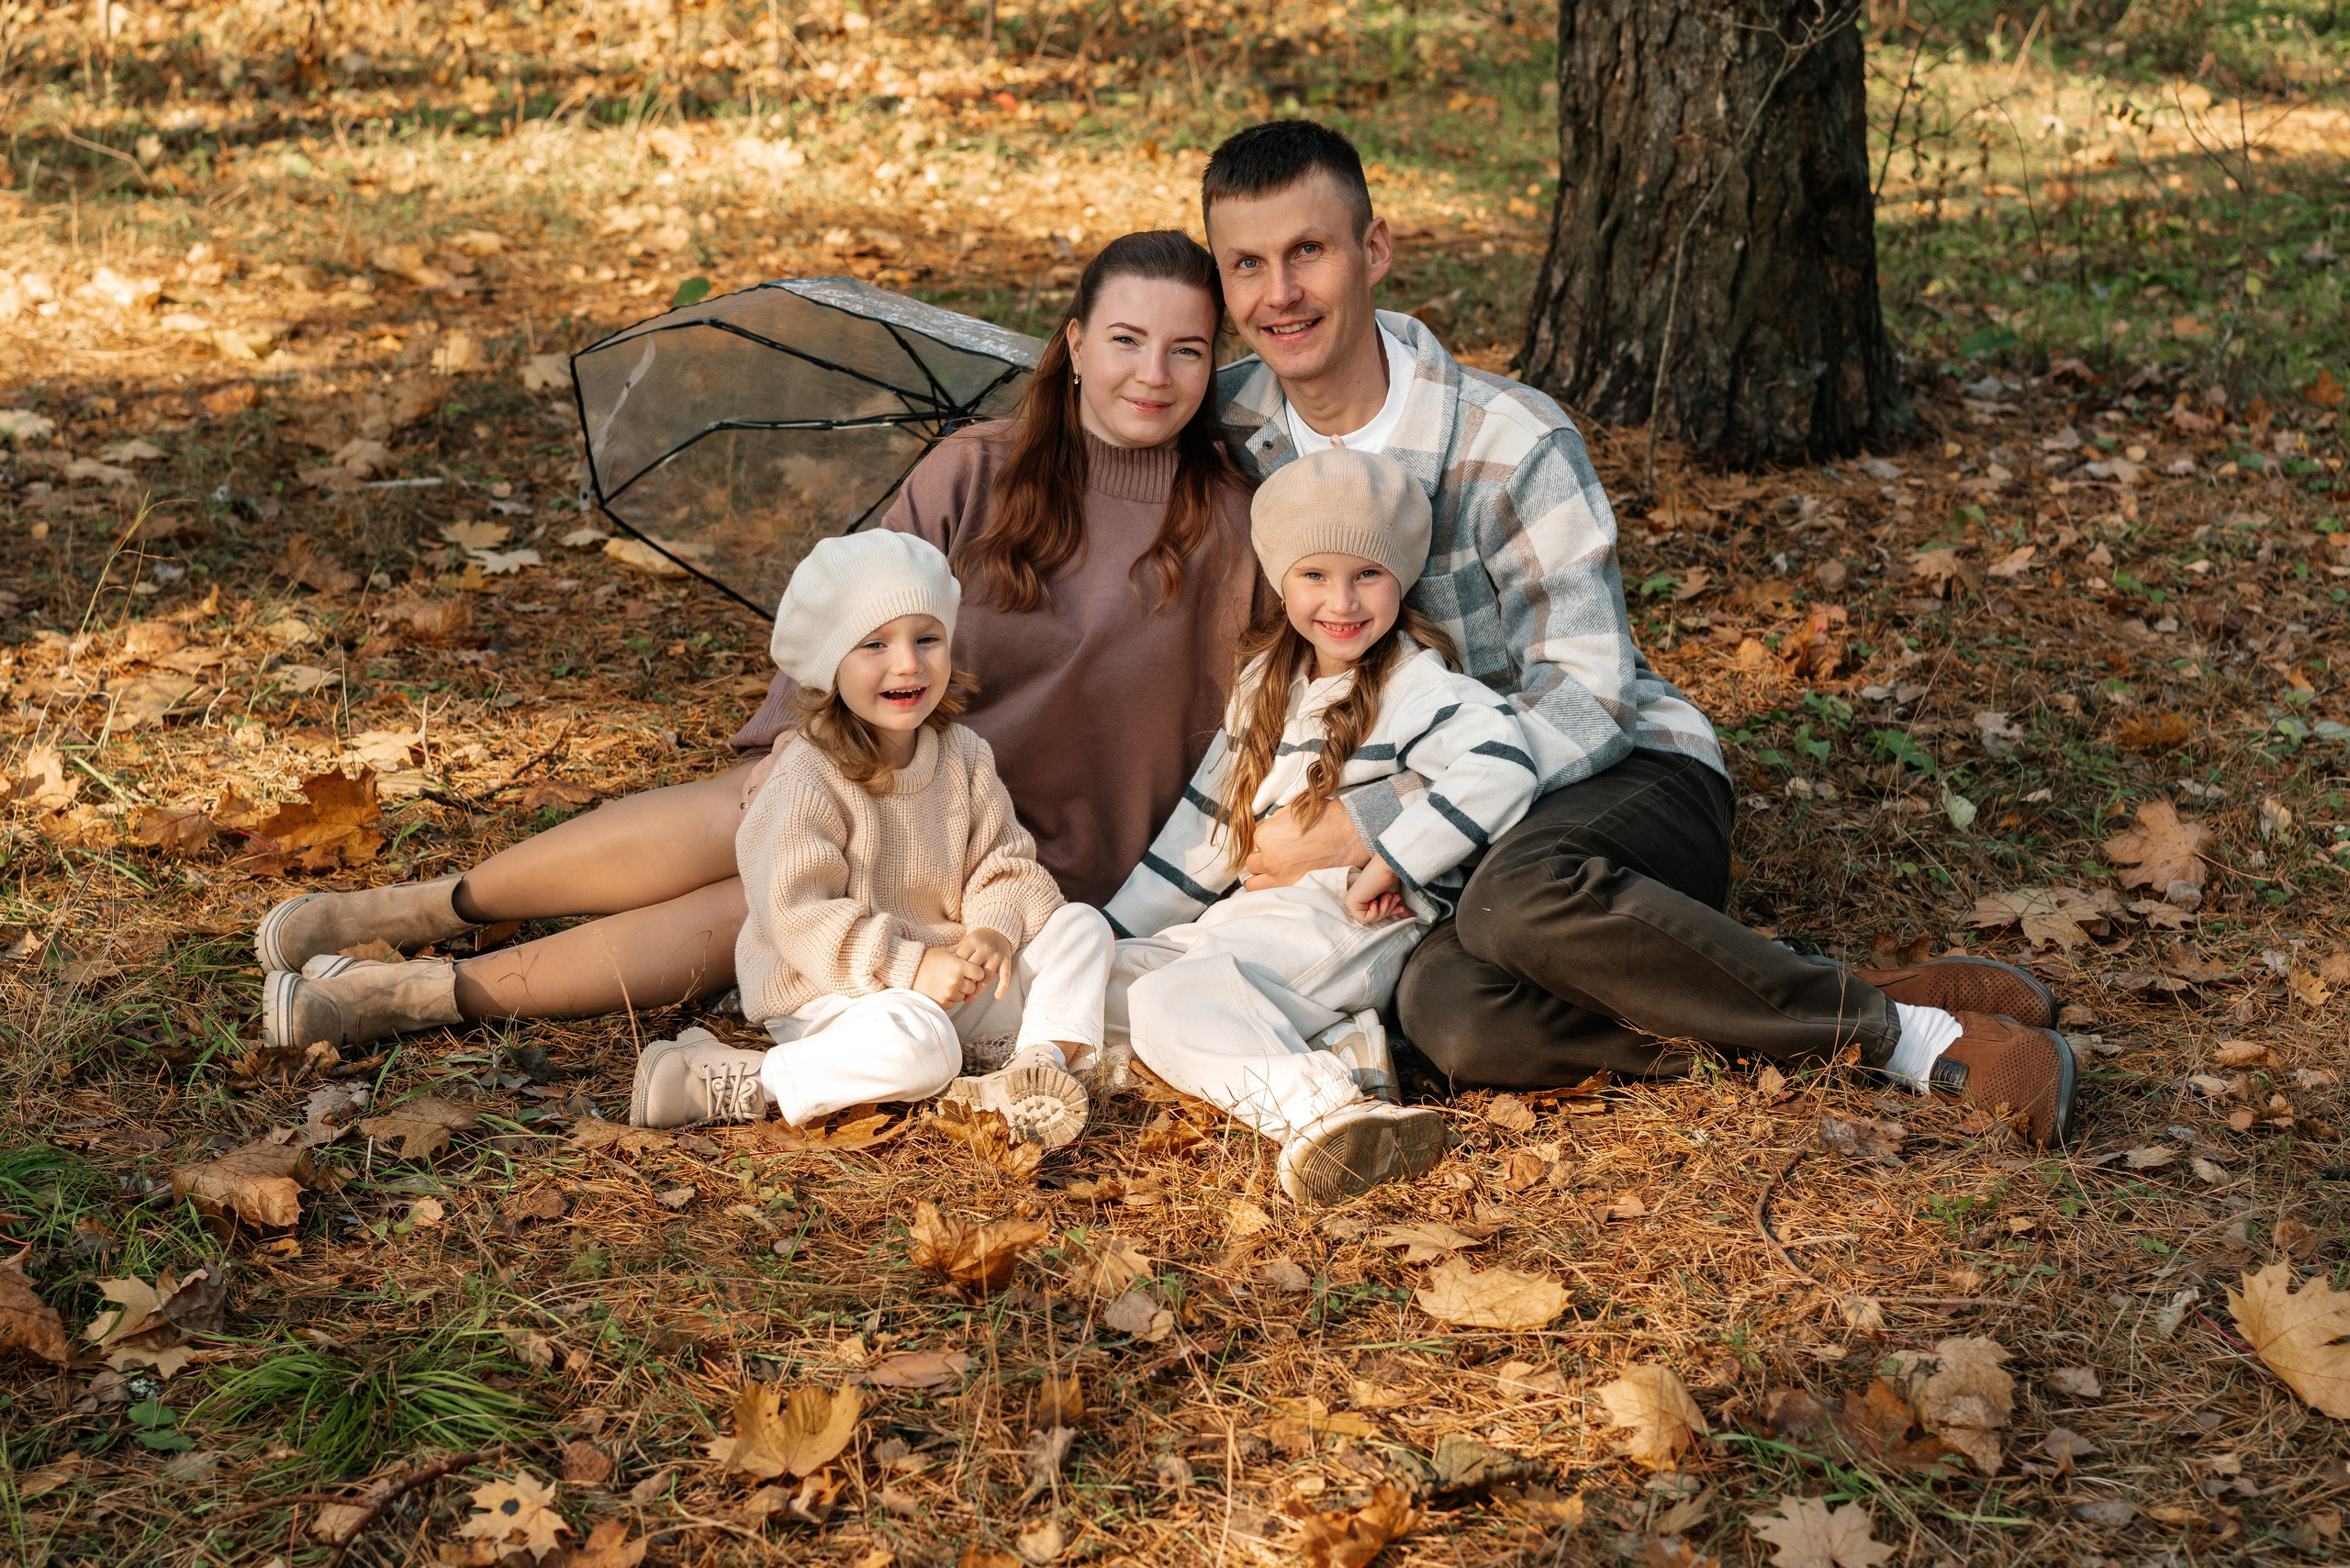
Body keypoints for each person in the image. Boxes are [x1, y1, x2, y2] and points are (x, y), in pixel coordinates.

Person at [1195, 119, 2077, 1144]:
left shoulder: (1510, 436)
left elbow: (1585, 691)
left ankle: (1903, 1036)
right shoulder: (1222, 437)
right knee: (1451, 1021)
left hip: (1615, 774)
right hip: (1437, 859)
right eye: (1244, 265)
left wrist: (1377, 818)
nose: (1279, 294)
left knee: (1513, 908)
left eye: (1307, 250)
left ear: (1374, 249)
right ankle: (1746, 975)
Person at [252, 230, 1259, 1062]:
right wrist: (788, 740)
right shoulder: (978, 468)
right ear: (1076, 343)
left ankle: (423, 994)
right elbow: (852, 609)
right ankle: (425, 905)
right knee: (751, 808)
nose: (1152, 373)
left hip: (1010, 853)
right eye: (1127, 339)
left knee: (756, 900)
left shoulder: (1231, 523)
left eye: (1186, 350)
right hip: (884, 758)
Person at [1105, 448, 1538, 1203]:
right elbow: (1210, 829)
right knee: (1101, 975)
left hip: (1351, 917)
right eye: (1315, 576)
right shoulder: (1265, 680)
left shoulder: (1417, 683)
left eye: (1367, 575)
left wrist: (1392, 858)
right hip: (1259, 917)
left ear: (1400, 580)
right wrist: (1117, 929)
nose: (1342, 602)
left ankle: (1336, 1114)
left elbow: (1503, 762)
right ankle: (1344, 1050)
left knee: (1167, 1003)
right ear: (1282, 579)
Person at [626, 532, 1111, 1145]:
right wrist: (907, 968)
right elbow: (799, 915)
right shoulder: (809, 773)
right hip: (838, 992)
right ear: (831, 663)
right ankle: (752, 1079)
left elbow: (1006, 864)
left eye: (926, 638)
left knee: (1082, 927)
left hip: (949, 977)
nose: (908, 663)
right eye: (875, 644)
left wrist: (994, 928)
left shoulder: (963, 756)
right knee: (918, 1047)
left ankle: (1034, 1069)